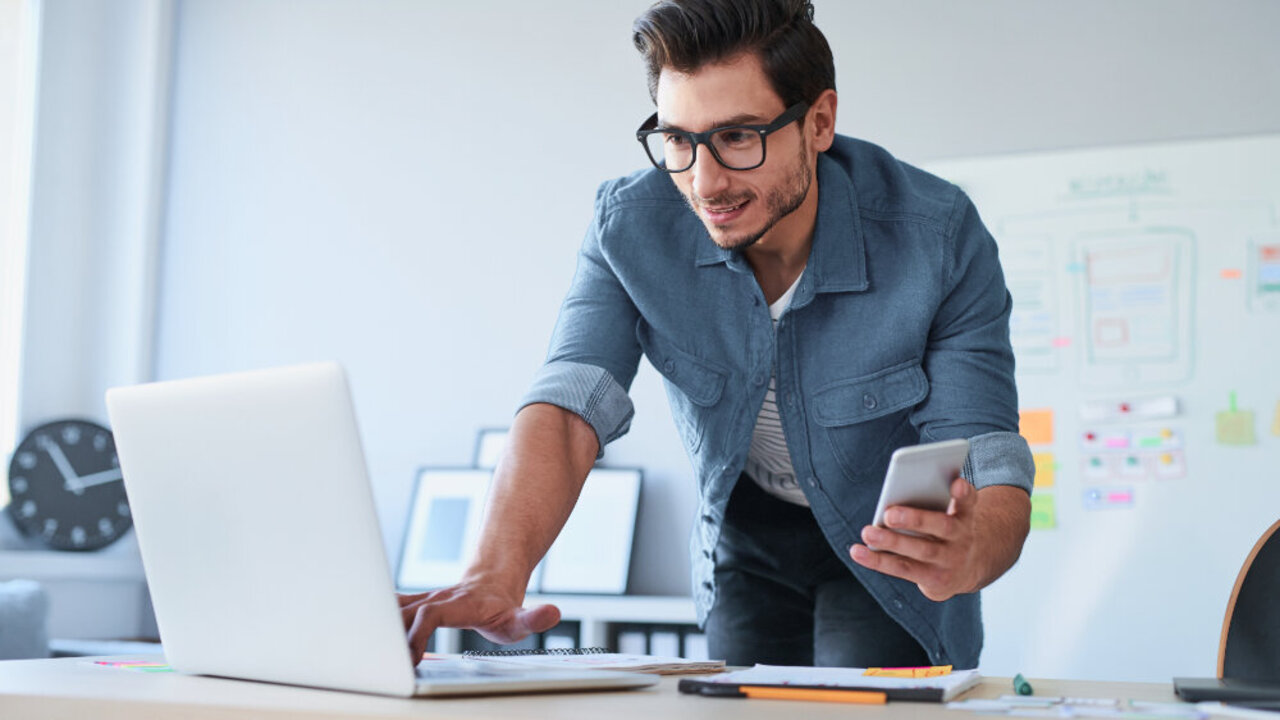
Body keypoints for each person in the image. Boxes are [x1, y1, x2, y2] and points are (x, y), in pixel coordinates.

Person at [399, 0, 1034, 669]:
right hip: (747, 535)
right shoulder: (629, 229)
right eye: (678, 139)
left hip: (883, 541)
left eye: (738, 137)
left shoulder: (937, 236)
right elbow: (569, 402)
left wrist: (976, 548)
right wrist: (495, 571)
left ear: (819, 122)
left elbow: (985, 452)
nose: (704, 183)